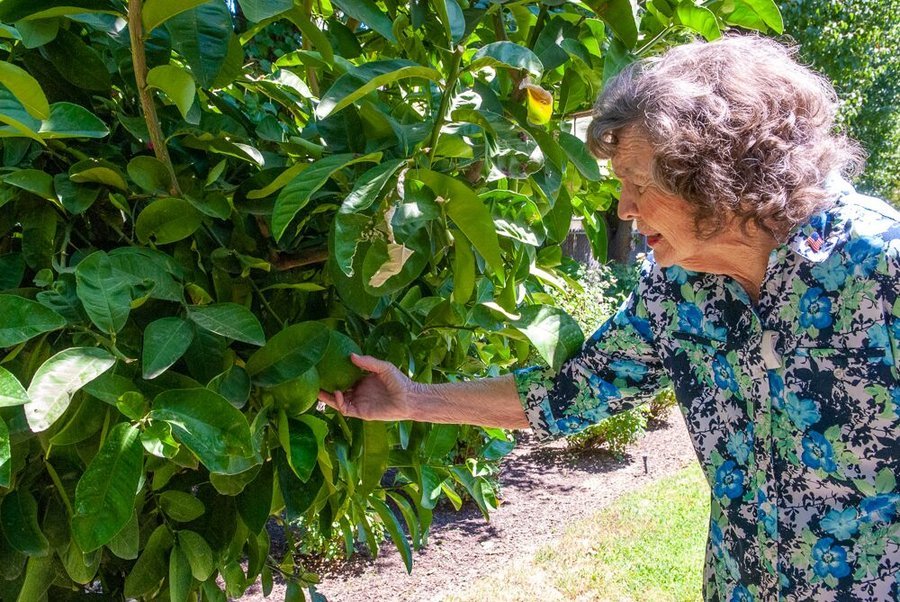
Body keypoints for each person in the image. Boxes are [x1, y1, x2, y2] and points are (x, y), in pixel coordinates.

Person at [318, 34, 900, 601]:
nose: (623, 207)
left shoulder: (879, 269)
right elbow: (569, 394)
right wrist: (411, 398)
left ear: (720, 179)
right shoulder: (677, 291)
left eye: (637, 184)